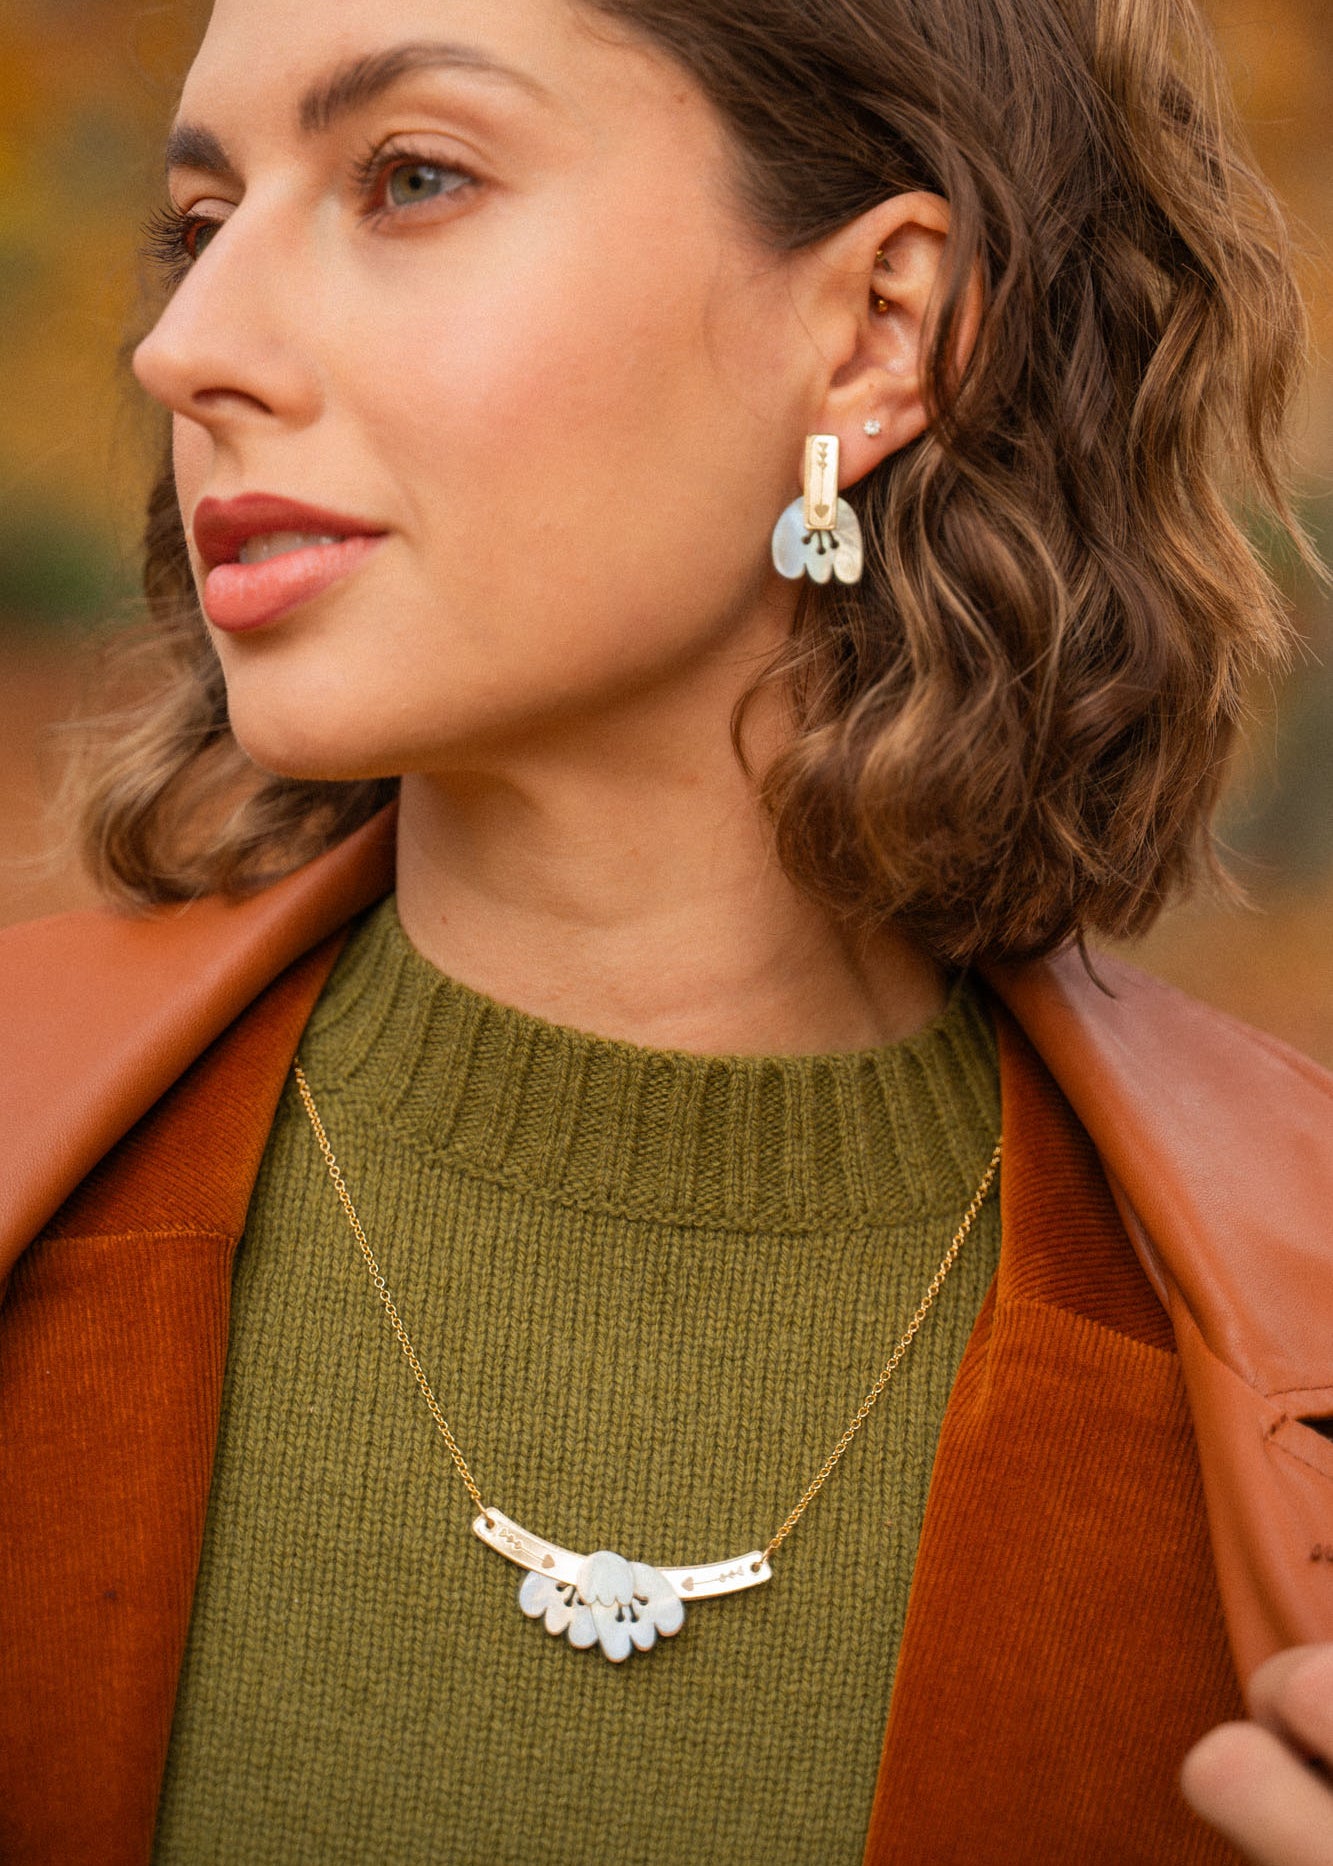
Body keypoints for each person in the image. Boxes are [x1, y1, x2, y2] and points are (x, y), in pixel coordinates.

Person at [1, 0, 1330, 1860]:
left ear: (875, 332)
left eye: (411, 178)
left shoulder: (1288, 1383)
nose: (182, 343)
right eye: (200, 219)